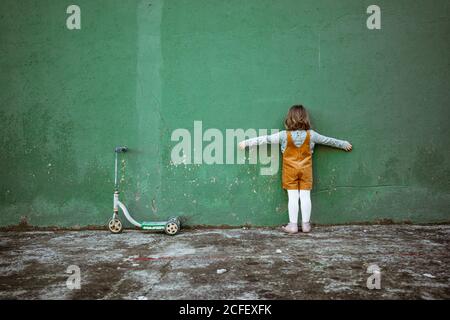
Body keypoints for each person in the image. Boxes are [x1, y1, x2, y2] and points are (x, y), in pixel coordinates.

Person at [239, 105, 352, 233]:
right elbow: (329, 141)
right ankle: (306, 225)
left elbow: (265, 139)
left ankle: (292, 225)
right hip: (306, 170)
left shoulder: (283, 135)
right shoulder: (312, 135)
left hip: (289, 170)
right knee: (305, 196)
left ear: (289, 119)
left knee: (292, 197)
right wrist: (343, 144)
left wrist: (247, 143)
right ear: (305, 119)